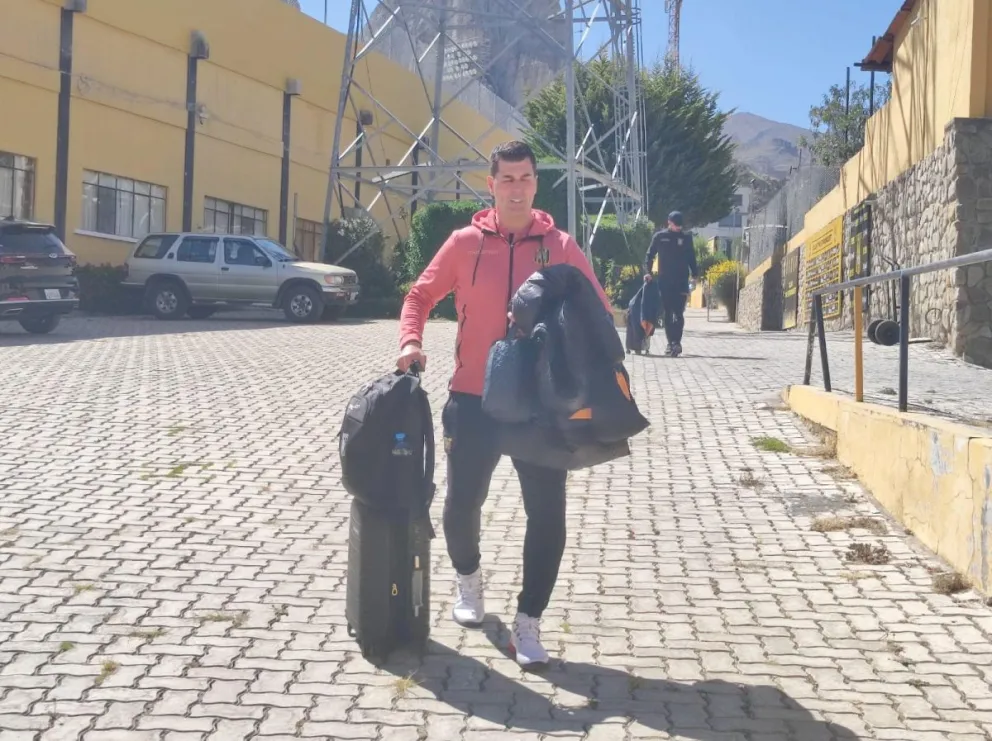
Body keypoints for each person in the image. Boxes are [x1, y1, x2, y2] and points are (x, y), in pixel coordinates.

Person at [396, 140, 612, 669]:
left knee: (547, 516)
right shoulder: (465, 242)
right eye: (507, 179)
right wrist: (410, 341)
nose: (516, 188)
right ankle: (468, 582)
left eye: (525, 178)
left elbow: (599, 309)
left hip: (540, 409)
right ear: (490, 185)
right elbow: (419, 296)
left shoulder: (559, 245)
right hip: (473, 399)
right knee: (460, 506)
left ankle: (529, 623)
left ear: (537, 184)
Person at [642, 210, 699, 357]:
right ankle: (670, 343)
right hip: (665, 280)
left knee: (679, 312)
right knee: (668, 312)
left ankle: (677, 343)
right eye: (675, 226)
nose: (678, 228)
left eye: (680, 226)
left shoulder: (686, 238)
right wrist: (647, 272)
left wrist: (695, 274)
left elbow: (691, 257)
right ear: (669, 223)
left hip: (681, 281)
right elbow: (649, 255)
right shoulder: (660, 237)